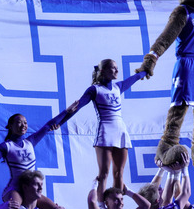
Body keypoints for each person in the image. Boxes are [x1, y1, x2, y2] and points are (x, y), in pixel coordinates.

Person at [57, 59, 146, 198]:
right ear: (103, 71)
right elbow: (77, 107)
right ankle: (101, 208)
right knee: (104, 173)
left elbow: (135, 77)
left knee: (119, 173)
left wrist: (148, 67)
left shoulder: (118, 87)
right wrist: (60, 122)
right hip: (105, 132)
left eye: (117, 68)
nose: (117, 71)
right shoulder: (95, 90)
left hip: (121, 132)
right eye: (113, 68)